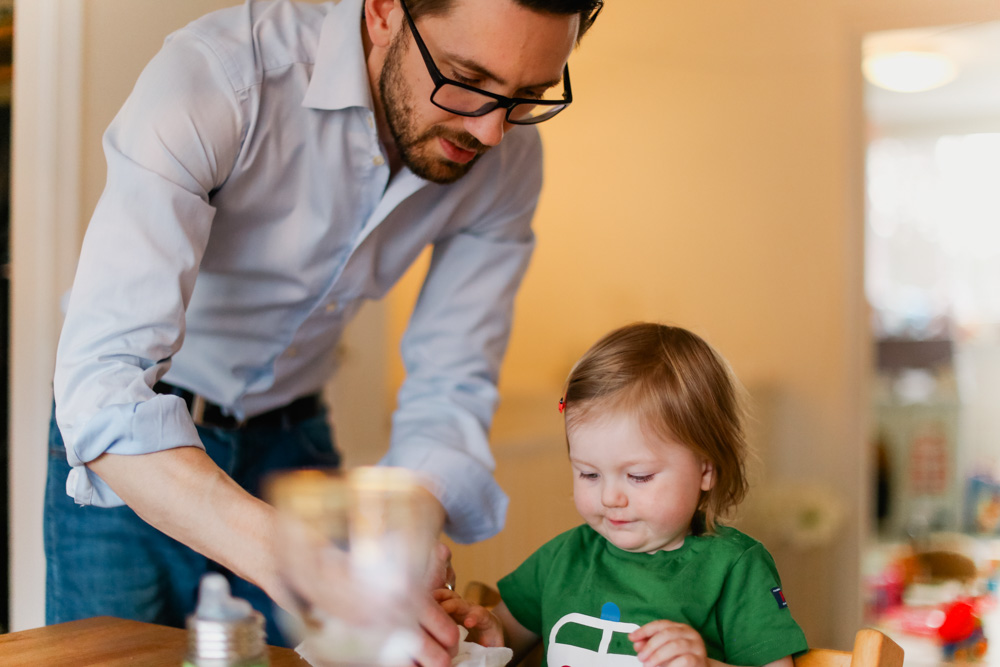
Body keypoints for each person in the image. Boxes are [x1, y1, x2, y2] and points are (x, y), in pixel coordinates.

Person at [45, 0, 603, 661]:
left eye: (526, 97)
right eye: (464, 77)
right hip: (139, 454)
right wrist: (302, 562)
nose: (490, 132)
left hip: (294, 446)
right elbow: (102, 385)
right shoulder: (221, 78)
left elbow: (451, 384)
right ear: (382, 12)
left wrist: (406, 531)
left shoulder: (509, 163)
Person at [437, 322, 810, 667]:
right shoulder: (562, 560)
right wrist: (487, 635)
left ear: (706, 470)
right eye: (589, 473)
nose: (610, 497)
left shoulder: (734, 567)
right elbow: (504, 646)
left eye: (638, 476)